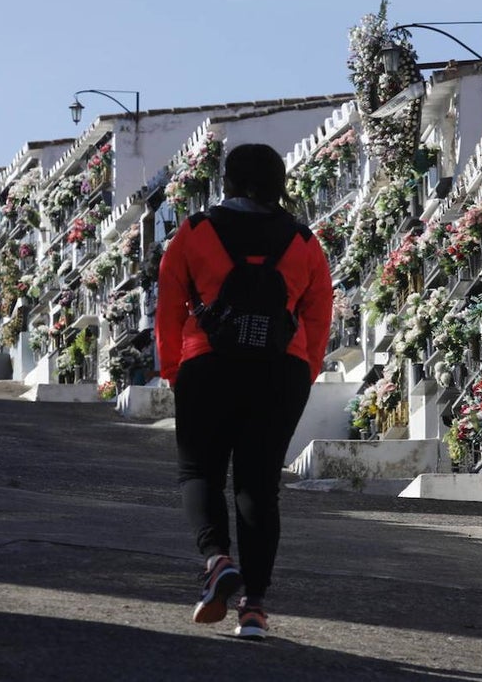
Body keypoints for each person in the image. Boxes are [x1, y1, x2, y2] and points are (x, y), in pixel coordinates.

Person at [156, 143, 333, 639]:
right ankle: (254, 608)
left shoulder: (194, 232)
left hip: (207, 363)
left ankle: (216, 560)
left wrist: (175, 370)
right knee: (259, 485)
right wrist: (305, 368)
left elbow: (170, 304)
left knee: (199, 471)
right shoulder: (303, 241)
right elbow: (319, 313)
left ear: (227, 183)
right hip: (281, 369)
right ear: (281, 184)